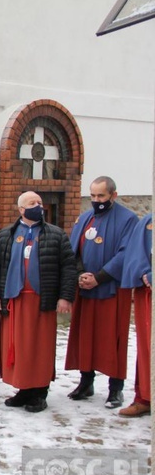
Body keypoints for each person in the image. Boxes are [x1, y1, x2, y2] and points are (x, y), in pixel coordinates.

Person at [0, 191, 76, 413]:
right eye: (31, 203)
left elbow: (69, 267)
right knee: (18, 347)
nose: (37, 205)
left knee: (39, 348)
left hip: (41, 301)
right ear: (20, 209)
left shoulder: (56, 234)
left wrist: (65, 296)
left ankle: (39, 392)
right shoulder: (6, 234)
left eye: (39, 202)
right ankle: (24, 389)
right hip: (13, 300)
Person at [66, 176, 138, 409]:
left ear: (113, 196)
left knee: (112, 338)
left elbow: (126, 253)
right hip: (85, 288)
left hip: (112, 288)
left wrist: (99, 277)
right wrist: (80, 274)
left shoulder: (128, 219)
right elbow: (73, 248)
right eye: (93, 196)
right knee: (85, 335)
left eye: (101, 196)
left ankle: (115, 389)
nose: (96, 201)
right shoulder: (85, 217)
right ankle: (86, 382)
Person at [118, 213, 152, 417]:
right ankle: (145, 397)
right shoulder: (149, 222)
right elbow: (136, 255)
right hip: (149, 294)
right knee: (148, 346)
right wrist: (145, 274)